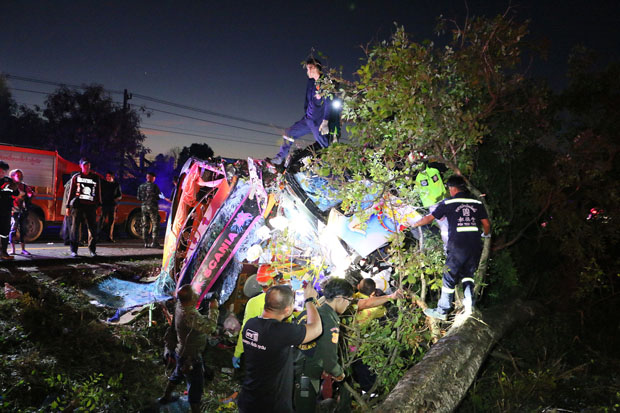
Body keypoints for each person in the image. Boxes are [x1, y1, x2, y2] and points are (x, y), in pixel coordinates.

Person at [412, 175, 491, 320]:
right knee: (468, 276)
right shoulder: (476, 202)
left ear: (453, 188)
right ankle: (469, 306)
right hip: (474, 245)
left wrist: (413, 224)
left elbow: (429, 218)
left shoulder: (448, 202)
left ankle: (442, 310)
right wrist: (486, 235)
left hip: (457, 245)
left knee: (449, 277)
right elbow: (486, 225)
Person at [237, 283, 322, 413]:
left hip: (249, 399)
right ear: (287, 310)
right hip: (272, 405)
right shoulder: (281, 332)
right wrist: (310, 301)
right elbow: (316, 329)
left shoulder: (251, 324)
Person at [294, 278, 355, 413]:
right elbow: (329, 358)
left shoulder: (310, 312)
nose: (348, 305)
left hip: (294, 370)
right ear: (340, 298)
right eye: (349, 301)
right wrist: (339, 374)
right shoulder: (329, 320)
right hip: (307, 376)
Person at [159, 284, 219, 413]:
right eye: (195, 294)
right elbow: (211, 328)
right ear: (191, 300)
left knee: (177, 374)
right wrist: (213, 308)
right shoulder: (190, 315)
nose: (197, 294)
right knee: (195, 386)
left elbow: (196, 320)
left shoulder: (179, 305)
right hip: (191, 356)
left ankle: (165, 397)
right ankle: (195, 410)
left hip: (181, 351)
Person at [271, 57, 334, 165]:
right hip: (307, 119)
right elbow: (308, 99)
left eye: (308, 69)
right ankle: (280, 157)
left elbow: (329, 102)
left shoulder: (325, 83)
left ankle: (334, 166)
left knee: (325, 146)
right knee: (289, 133)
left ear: (314, 68)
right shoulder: (311, 82)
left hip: (317, 122)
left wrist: (325, 121)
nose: (307, 72)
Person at [66, 158, 102, 257]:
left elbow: (98, 193)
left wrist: (99, 206)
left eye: (88, 165)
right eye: (85, 165)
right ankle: (74, 250)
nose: (87, 167)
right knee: (75, 228)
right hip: (78, 206)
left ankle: (92, 250)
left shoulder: (95, 178)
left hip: (91, 206)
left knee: (92, 229)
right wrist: (67, 206)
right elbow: (71, 192)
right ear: (81, 166)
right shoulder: (76, 177)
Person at [9, 169, 35, 255]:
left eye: (21, 175)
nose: (20, 177)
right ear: (12, 176)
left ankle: (23, 249)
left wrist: (30, 195)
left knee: (23, 229)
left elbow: (31, 193)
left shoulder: (24, 186)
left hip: (22, 210)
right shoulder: (10, 186)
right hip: (13, 211)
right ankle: (13, 249)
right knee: (13, 229)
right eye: (17, 175)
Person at [0, 161, 19, 260]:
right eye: (1, 170)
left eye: (4, 171)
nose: (2, 173)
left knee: (4, 232)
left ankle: (3, 253)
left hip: (5, 210)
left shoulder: (9, 181)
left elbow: (16, 194)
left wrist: (15, 189)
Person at [137, 172, 161, 248]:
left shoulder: (141, 186)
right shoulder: (154, 186)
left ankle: (146, 243)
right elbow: (158, 196)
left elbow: (138, 198)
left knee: (145, 224)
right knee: (155, 224)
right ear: (152, 178)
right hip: (152, 207)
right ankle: (154, 242)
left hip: (144, 207)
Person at [98, 171, 122, 242]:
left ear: (112, 177)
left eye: (109, 176)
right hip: (104, 204)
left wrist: (116, 199)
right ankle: (98, 236)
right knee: (101, 220)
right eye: (107, 176)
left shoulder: (116, 185)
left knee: (111, 222)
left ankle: (109, 237)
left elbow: (119, 195)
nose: (107, 178)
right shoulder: (103, 183)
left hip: (112, 205)